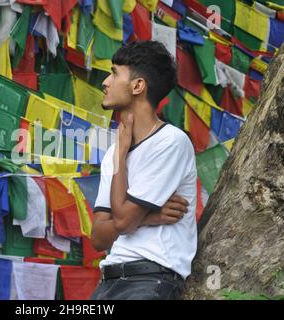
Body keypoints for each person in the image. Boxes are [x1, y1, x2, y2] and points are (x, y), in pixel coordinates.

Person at [90, 41, 198, 300]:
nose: (105, 81)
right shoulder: (113, 154)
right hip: (107, 283)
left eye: (114, 73)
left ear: (138, 86)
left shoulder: (170, 142)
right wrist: (149, 216)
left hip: (150, 282)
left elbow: (125, 220)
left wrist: (134, 219)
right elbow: (98, 237)